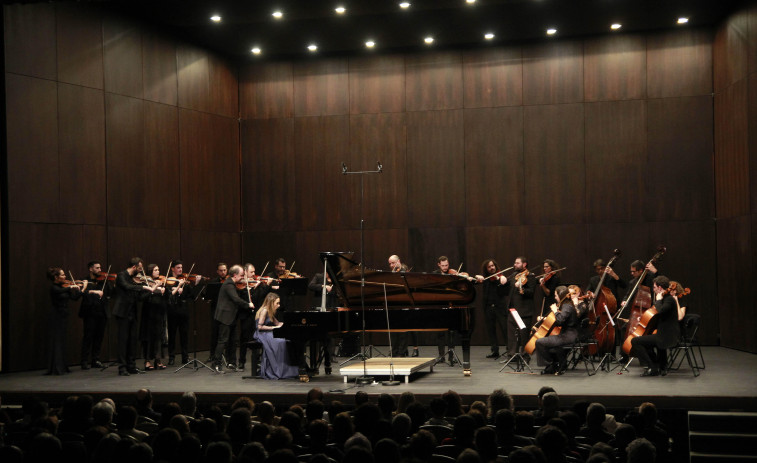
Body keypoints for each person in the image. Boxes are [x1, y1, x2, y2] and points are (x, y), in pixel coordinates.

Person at [630, 276, 680, 376]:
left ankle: (652, 367)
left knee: (635, 341)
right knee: (646, 341)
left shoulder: (668, 300)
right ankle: (659, 365)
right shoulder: (666, 299)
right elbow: (661, 317)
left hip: (667, 336)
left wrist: (657, 300)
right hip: (663, 334)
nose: (653, 289)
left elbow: (661, 311)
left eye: (654, 287)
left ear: (660, 288)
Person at [112, 257, 153, 376]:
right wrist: (144, 287)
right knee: (123, 341)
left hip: (132, 313)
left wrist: (151, 291)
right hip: (122, 313)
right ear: (134, 267)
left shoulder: (132, 279)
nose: (141, 271)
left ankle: (131, 366)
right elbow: (127, 287)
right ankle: (122, 368)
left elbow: (138, 298)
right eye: (140, 269)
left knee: (132, 341)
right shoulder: (122, 276)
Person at [212, 265, 255, 373]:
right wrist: (248, 305)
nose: (242, 277)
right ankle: (216, 363)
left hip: (231, 317)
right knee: (222, 341)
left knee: (233, 341)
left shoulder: (232, 284)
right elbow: (236, 299)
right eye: (241, 275)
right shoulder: (229, 284)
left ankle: (231, 363)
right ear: (235, 275)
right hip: (225, 317)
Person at [46, 267, 83, 375]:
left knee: (62, 341)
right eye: (62, 275)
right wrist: (72, 286)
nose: (65, 276)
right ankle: (56, 367)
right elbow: (62, 290)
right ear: (56, 277)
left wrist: (82, 288)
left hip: (64, 315)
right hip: (56, 315)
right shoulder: (54, 288)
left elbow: (74, 298)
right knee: (57, 341)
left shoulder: (64, 286)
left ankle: (61, 366)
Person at [253, 292, 299, 379]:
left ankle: (286, 369)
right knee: (280, 342)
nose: (278, 305)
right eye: (277, 303)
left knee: (286, 340)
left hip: (268, 333)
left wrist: (290, 324)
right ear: (271, 302)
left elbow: (278, 323)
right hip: (262, 334)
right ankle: (277, 370)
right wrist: (274, 328)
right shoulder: (264, 310)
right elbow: (259, 327)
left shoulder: (270, 311)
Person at [534, 286, 579, 375]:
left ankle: (552, 364)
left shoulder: (567, 306)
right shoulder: (567, 305)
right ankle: (556, 364)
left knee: (539, 342)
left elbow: (560, 320)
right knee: (548, 342)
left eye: (556, 295)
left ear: (561, 295)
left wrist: (555, 311)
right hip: (568, 335)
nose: (555, 297)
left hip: (568, 336)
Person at [166, 260, 202, 366]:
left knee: (184, 335)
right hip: (172, 310)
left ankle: (185, 357)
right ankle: (171, 357)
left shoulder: (185, 281)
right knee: (172, 335)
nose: (180, 269)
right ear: (172, 269)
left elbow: (192, 296)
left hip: (183, 311)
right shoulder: (168, 281)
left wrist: (196, 284)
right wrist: (177, 290)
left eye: (181, 267)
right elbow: (168, 296)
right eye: (178, 267)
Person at [475, 259, 509, 359]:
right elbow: (475, 280)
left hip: (500, 308)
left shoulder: (500, 276)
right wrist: (477, 277)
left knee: (504, 329)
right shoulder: (485, 278)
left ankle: (509, 351)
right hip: (488, 307)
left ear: (495, 266)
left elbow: (506, 286)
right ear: (486, 269)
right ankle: (495, 351)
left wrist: (501, 278)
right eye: (489, 267)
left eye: (492, 266)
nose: (491, 268)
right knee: (491, 330)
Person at [504, 256, 536, 357]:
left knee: (524, 335)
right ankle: (512, 355)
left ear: (524, 264)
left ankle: (524, 355)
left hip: (524, 310)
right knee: (512, 334)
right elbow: (506, 284)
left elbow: (531, 292)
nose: (515, 265)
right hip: (513, 309)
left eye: (517, 263)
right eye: (515, 263)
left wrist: (521, 288)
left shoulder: (530, 276)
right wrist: (501, 278)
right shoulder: (514, 275)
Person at [79, 261, 108, 370]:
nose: (100, 270)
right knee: (88, 337)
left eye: (100, 268)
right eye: (97, 268)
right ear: (91, 269)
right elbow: (83, 293)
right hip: (90, 312)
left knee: (99, 337)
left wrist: (113, 284)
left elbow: (110, 293)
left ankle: (95, 359)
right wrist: (93, 291)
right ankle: (84, 361)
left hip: (101, 312)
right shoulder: (85, 281)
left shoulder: (103, 281)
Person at [388, 254, 418, 357]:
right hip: (395, 304)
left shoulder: (404, 271)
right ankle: (395, 350)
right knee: (394, 330)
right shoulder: (393, 272)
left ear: (398, 261)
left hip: (404, 303)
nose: (391, 265)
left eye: (393, 263)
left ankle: (402, 351)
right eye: (390, 264)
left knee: (403, 331)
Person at [139, 264, 168, 371]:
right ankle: (147, 361)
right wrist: (155, 287)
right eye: (155, 270)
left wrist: (165, 291)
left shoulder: (161, 282)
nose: (158, 271)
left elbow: (167, 297)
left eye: (158, 269)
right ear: (150, 271)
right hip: (149, 313)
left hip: (159, 313)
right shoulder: (145, 282)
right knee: (148, 338)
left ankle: (158, 360)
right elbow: (143, 297)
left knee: (159, 338)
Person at [433, 256, 461, 365]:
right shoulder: (435, 274)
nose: (445, 268)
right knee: (440, 333)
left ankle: (451, 356)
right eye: (443, 265)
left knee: (451, 333)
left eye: (447, 265)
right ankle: (441, 356)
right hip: (440, 306)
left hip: (451, 305)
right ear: (439, 265)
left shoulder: (452, 273)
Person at [206, 262, 228, 362]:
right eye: (221, 270)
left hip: (227, 310)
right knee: (214, 332)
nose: (223, 272)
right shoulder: (213, 282)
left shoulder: (230, 282)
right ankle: (212, 354)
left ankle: (226, 355)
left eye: (224, 270)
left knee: (225, 333)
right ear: (217, 271)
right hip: (216, 310)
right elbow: (208, 296)